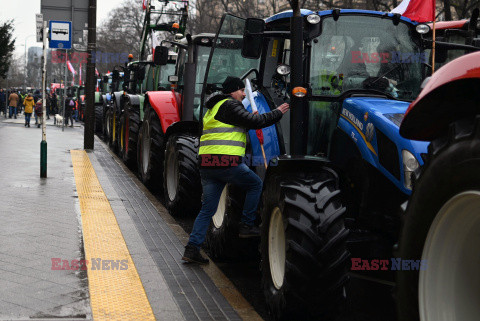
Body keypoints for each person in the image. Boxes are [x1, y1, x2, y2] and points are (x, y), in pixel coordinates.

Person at [182, 76, 290, 264]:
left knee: (207, 209)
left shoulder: (212, 109)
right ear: (233, 91)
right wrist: (278, 112)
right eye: (241, 91)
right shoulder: (230, 105)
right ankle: (247, 224)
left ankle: (192, 249)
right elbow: (254, 122)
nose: (242, 94)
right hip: (226, 163)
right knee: (255, 184)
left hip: (207, 165)